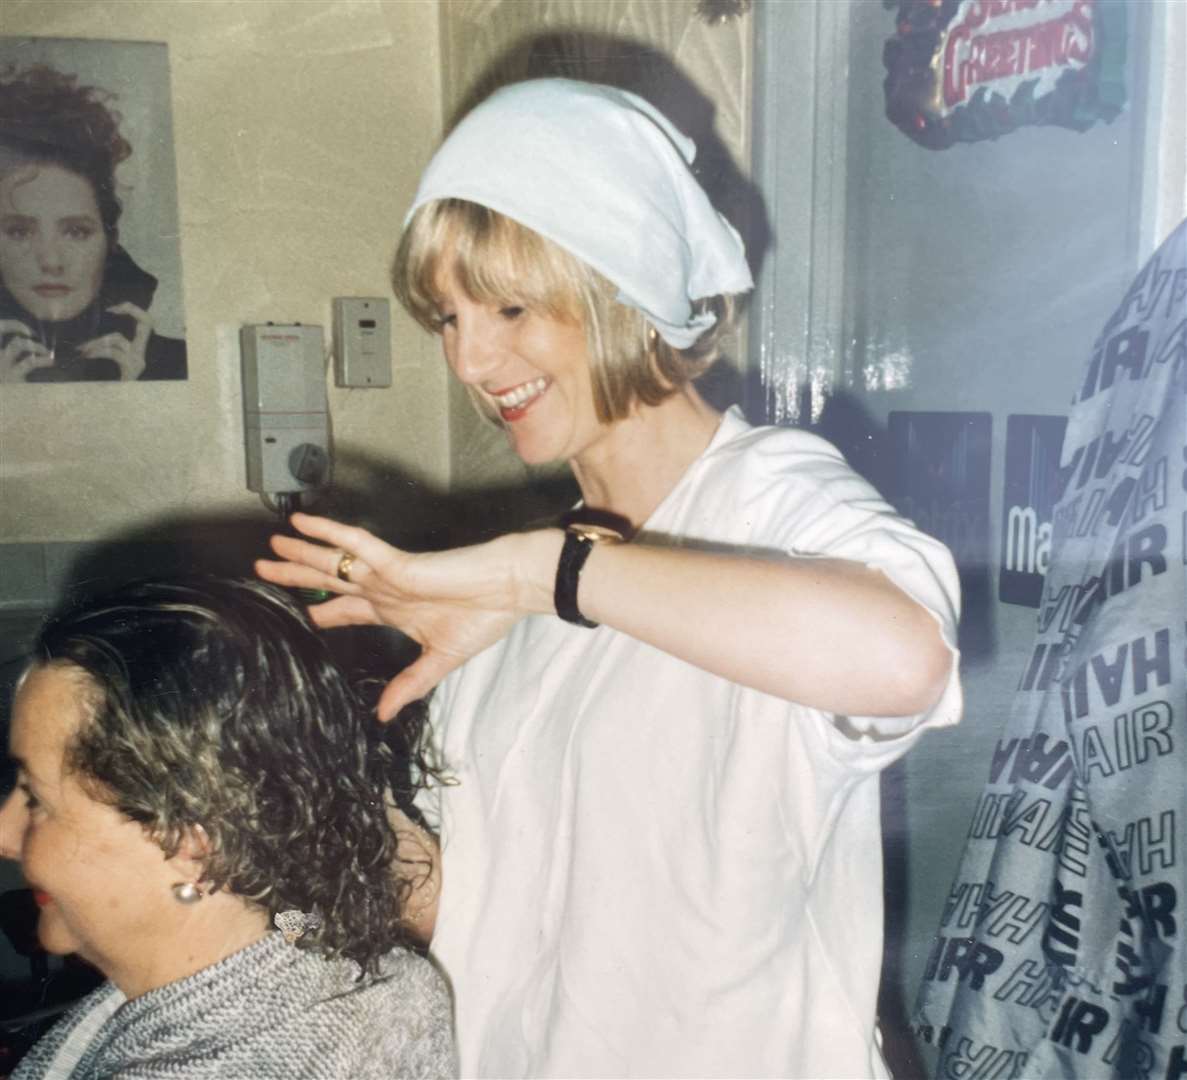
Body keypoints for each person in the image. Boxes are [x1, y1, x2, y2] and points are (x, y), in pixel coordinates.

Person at [257, 78, 963, 1078]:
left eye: (507, 306)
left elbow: (905, 665)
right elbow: (486, 914)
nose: (469, 359)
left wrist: (542, 573)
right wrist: (295, 805)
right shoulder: (520, 594)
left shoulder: (768, 501)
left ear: (625, 287)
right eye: (446, 317)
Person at [0, 577, 455, 1079]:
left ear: (192, 842)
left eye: (36, 799)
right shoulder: (321, 948)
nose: (4, 833)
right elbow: (298, 926)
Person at [0, 64, 186, 383]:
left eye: (75, 231)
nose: (51, 260)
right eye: (19, 231)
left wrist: (135, 394)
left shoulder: (175, 364)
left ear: (109, 241)